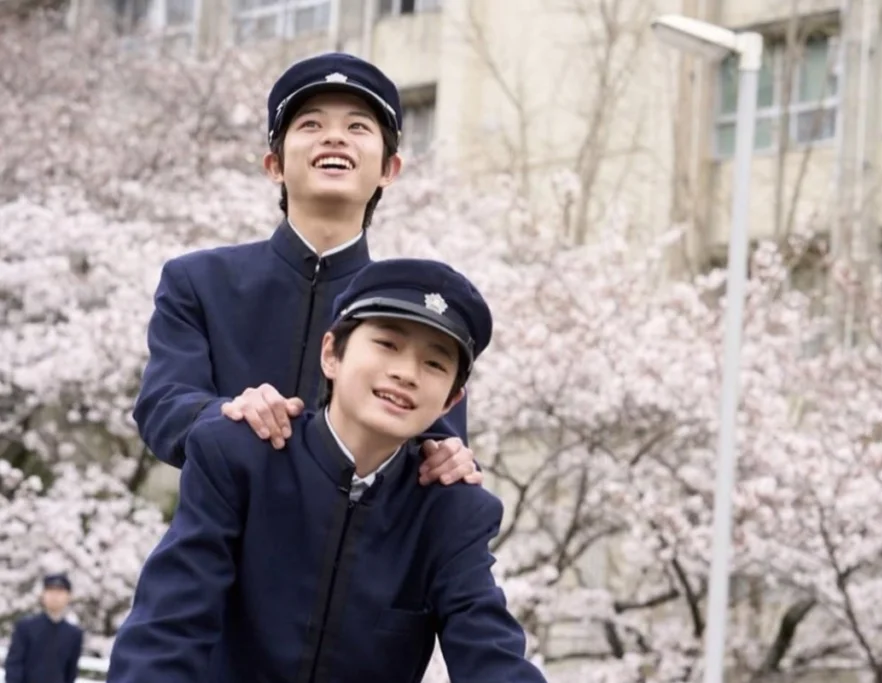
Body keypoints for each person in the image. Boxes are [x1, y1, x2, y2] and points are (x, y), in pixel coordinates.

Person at [107, 258, 547, 683]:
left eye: (434, 364)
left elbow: (489, 651)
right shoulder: (242, 458)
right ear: (331, 354)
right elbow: (169, 626)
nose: (406, 373)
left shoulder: (450, 510)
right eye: (387, 344)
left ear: (451, 400)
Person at [132, 51, 480, 488]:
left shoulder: (413, 305)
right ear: (274, 165)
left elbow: (440, 443)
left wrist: (450, 459)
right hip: (220, 527)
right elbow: (163, 407)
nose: (334, 138)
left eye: (357, 127)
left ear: (389, 169)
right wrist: (227, 414)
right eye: (311, 125)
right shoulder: (199, 281)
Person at [3, 573, 84, 683]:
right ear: (43, 595)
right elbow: (14, 665)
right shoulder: (26, 627)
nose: (55, 596)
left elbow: (71, 672)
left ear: (68, 596)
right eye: (50, 591)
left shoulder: (74, 634)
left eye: (60, 592)